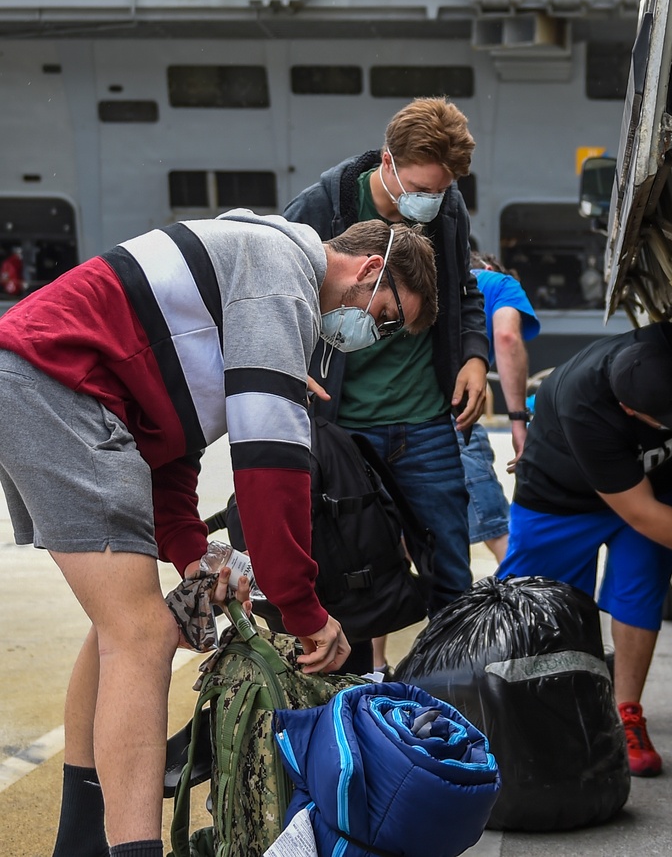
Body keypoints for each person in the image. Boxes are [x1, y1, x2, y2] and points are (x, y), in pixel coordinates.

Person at [0, 211, 437, 857]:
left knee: (120, 625)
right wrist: (302, 606)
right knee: (142, 633)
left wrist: (191, 554)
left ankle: (80, 841)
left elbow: (169, 447)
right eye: (390, 316)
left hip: (51, 385)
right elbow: (272, 453)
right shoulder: (279, 273)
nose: (376, 334)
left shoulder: (251, 269)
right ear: (372, 268)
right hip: (59, 388)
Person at [284, 98, 489, 620]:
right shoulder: (318, 209)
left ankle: (449, 682)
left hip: (424, 424)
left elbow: (464, 290)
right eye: (421, 190)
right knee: (347, 565)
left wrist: (472, 356)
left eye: (442, 191)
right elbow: (279, 300)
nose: (432, 201)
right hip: (342, 426)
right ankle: (353, 686)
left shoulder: (448, 209)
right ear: (386, 160)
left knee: (450, 567)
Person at [498, 321, 672, 778]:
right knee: (532, 606)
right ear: (627, 408)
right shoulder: (585, 404)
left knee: (639, 592)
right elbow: (641, 515)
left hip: (656, 487)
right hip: (561, 500)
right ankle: (521, 713)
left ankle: (626, 713)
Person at [459, 252, 540, 563]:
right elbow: (506, 336)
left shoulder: (423, 276)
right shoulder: (498, 283)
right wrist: (518, 421)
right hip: (453, 415)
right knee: (497, 526)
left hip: (386, 417)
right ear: (489, 268)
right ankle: (525, 604)